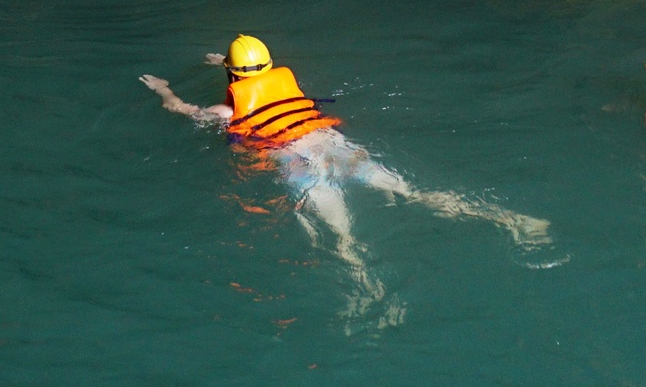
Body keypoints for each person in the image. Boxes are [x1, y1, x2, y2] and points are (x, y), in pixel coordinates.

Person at [140, 35, 553, 323]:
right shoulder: (288, 89)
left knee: (344, 239)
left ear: (231, 76)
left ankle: (375, 294)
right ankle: (510, 220)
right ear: (269, 69)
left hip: (301, 165)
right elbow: (251, 74)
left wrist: (163, 89)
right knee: (414, 193)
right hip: (339, 149)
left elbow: (181, 109)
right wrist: (223, 63)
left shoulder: (227, 112)